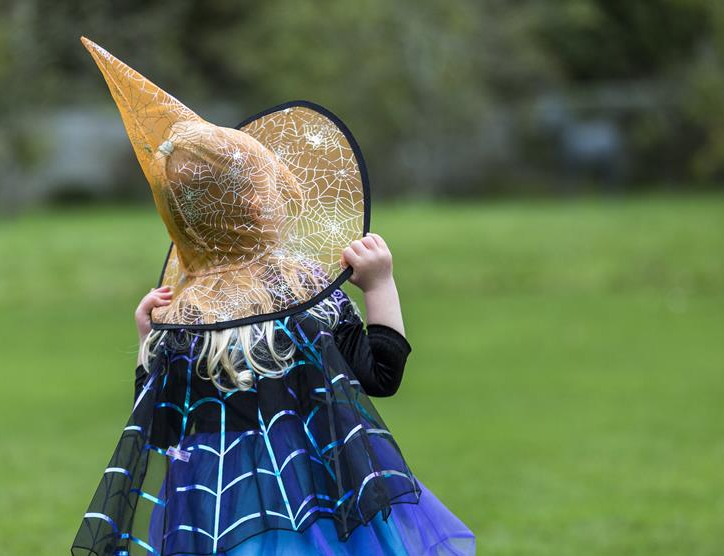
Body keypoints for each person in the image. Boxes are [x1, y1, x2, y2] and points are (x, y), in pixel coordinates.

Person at [71, 37, 475, 555]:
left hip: (219, 520)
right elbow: (382, 375)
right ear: (265, 206)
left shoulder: (183, 315)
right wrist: (379, 285)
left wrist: (149, 339)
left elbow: (162, 428)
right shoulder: (303, 289)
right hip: (322, 506)